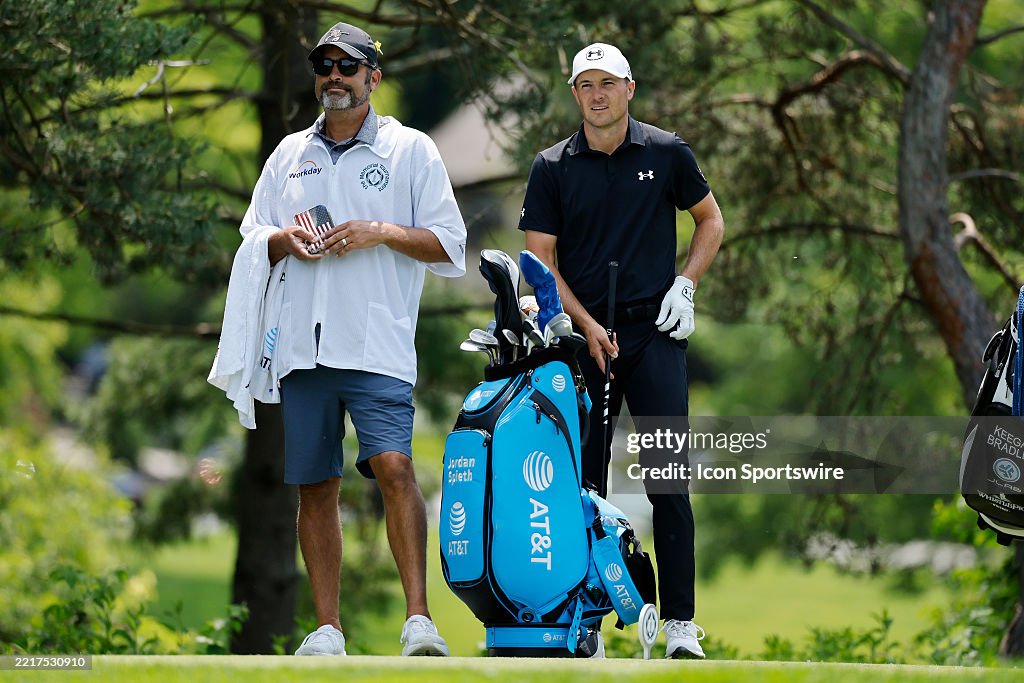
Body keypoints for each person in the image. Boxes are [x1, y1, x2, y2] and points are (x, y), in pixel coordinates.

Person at [237, 21, 466, 656]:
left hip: (376, 343)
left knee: (394, 467)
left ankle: (419, 621)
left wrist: (380, 231)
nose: (334, 76)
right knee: (316, 486)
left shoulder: (411, 149)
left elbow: (451, 244)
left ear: (374, 77)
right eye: (325, 66)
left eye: (348, 66)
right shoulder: (288, 155)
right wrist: (287, 242)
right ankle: (329, 629)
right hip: (303, 349)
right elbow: (255, 234)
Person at [519, 42, 724, 659]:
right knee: (580, 487)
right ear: (575, 94)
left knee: (669, 483)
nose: (598, 94)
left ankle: (682, 624)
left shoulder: (666, 152)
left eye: (608, 83)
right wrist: (583, 325)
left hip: (655, 334)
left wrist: (686, 285)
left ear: (629, 89)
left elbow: (710, 221)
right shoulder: (552, 165)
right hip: (586, 345)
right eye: (587, 85)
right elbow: (539, 261)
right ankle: (583, 622)